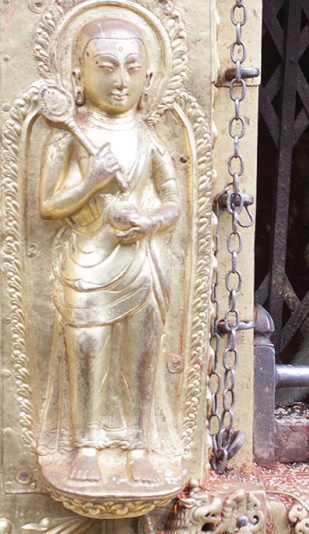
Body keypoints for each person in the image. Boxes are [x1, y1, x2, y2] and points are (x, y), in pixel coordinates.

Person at [38, 17, 179, 485]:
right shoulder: (67, 132)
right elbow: (48, 205)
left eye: (132, 68)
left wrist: (149, 221)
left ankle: (139, 445)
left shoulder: (148, 138)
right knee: (88, 348)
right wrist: (92, 181)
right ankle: (87, 443)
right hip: (85, 262)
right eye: (106, 67)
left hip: (139, 262)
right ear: (78, 77)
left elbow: (172, 199)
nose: (120, 81)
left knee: (141, 354)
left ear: (149, 78)